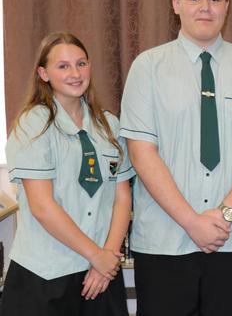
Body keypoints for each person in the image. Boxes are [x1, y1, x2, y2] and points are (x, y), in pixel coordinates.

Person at [119, 0, 232, 316]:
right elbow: (142, 153)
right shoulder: (148, 67)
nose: (205, 8)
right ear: (176, 4)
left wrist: (225, 215)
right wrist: (192, 222)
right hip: (163, 242)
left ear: (227, 5)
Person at [0, 32, 133, 316]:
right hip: (45, 274)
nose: (75, 73)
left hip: (100, 276)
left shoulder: (109, 125)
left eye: (81, 63)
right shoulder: (32, 125)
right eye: (63, 66)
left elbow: (122, 197)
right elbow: (43, 207)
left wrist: (107, 259)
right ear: (43, 73)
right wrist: (96, 255)